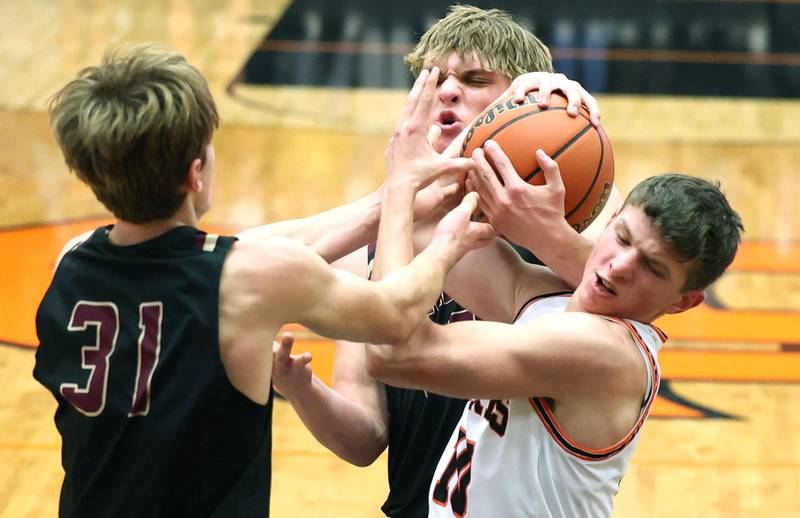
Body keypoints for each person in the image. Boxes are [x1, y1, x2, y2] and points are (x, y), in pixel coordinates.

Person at [32, 45, 492, 518]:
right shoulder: (250, 277)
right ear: (195, 173)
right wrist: (446, 244)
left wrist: (395, 198)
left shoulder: (73, 261)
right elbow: (394, 315)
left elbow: (267, 246)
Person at [271, 5, 619, 517]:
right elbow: (364, 439)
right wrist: (300, 389)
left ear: (522, 100)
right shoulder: (371, 245)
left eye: (475, 79)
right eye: (433, 79)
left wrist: (559, 102)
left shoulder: (557, 223)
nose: (446, 92)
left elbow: (626, 292)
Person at [366, 108, 744, 516]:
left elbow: (392, 354)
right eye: (621, 238)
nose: (618, 265)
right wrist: (521, 96)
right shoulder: (549, 300)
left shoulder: (603, 353)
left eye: (652, 268)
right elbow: (424, 226)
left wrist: (402, 188)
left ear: (682, 302)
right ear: (611, 220)